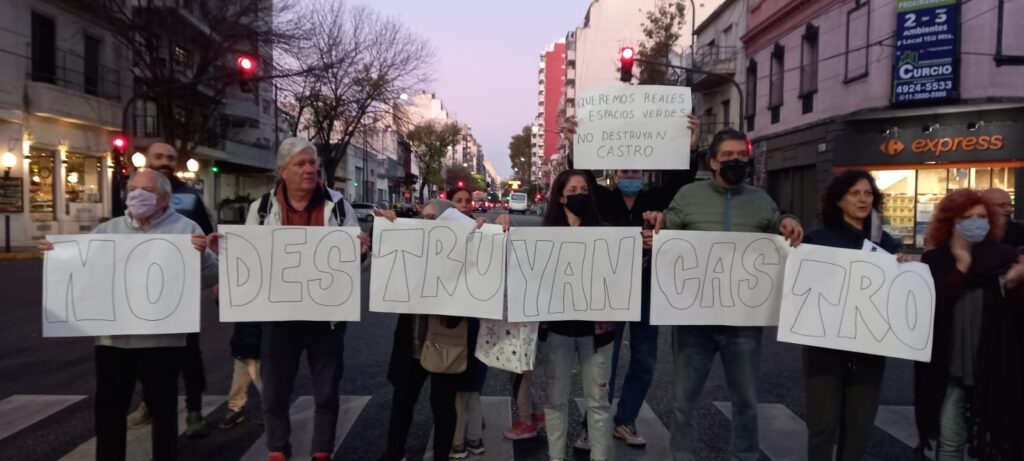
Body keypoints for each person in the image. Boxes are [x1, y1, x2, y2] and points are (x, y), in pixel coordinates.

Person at [644, 128, 804, 461]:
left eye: (741, 156)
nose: (736, 161)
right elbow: (670, 223)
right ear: (713, 161)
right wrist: (659, 223)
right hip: (694, 321)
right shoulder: (689, 195)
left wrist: (788, 220)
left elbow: (777, 224)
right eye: (728, 156)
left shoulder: (761, 199)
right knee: (684, 400)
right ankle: (682, 455)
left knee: (746, 400)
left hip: (743, 322)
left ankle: (744, 455)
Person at [208, 137, 370, 461]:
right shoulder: (262, 208)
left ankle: (321, 452)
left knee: (326, 393)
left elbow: (356, 265)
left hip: (326, 319)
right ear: (282, 171)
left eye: (313, 163)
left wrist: (362, 252)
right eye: (300, 164)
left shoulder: (338, 207)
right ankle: (278, 450)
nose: (309, 169)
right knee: (274, 395)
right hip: (279, 319)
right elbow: (250, 259)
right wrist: (226, 264)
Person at [39, 169, 218, 461]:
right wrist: (58, 254)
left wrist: (204, 256)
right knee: (109, 412)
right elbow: (85, 269)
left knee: (163, 414)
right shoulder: (108, 231)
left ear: (163, 198)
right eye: (133, 188)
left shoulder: (186, 229)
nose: (136, 195)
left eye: (145, 191)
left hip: (163, 342)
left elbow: (211, 277)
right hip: (114, 342)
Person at [574, 115, 701, 451]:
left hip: (648, 290)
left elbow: (682, 179)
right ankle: (592, 423)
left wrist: (690, 146)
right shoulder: (602, 199)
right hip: (611, 290)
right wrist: (576, 140)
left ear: (642, 176)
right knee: (605, 360)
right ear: (614, 176)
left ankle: (625, 420)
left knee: (645, 359)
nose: (630, 176)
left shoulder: (657, 199)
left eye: (635, 172)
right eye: (624, 172)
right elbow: (582, 176)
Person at [375, 199, 498, 461]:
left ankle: (442, 455)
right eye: (423, 217)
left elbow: (487, 270)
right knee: (402, 400)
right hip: (412, 338)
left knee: (443, 405)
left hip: (448, 339)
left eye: (433, 218)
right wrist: (386, 227)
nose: (426, 223)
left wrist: (490, 234)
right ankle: (394, 451)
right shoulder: (413, 244)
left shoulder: (465, 246)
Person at [801, 171, 903, 461]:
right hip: (825, 349)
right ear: (839, 200)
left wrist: (904, 270)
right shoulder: (817, 240)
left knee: (859, 428)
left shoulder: (887, 243)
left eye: (868, 193)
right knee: (823, 425)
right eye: (855, 193)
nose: (862, 199)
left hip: (869, 348)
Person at [916, 189, 1024, 461]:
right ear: (952, 221)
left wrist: (1012, 281)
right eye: (968, 217)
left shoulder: (1005, 257)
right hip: (949, 366)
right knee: (950, 442)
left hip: (994, 367)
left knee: (994, 441)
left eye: (982, 217)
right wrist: (961, 269)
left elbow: (1016, 313)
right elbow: (933, 308)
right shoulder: (935, 260)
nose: (977, 222)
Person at [540, 169, 636, 461]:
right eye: (573, 191)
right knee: (555, 401)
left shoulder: (606, 233)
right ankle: (555, 457)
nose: (580, 195)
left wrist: (640, 249)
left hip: (599, 332)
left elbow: (624, 270)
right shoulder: (542, 236)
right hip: (557, 331)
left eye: (584, 190)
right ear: (560, 195)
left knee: (598, 402)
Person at [126, 142, 213, 436]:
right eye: (159, 156)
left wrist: (213, 270)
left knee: (189, 354)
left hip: (180, 290)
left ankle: (194, 410)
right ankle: (149, 403)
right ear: (147, 159)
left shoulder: (190, 195)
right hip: (139, 289)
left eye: (171, 158)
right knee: (140, 352)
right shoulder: (132, 193)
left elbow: (207, 234)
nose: (165, 161)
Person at [219, 319, 263, 428]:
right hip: (243, 341)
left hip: (256, 341)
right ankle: (235, 408)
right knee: (239, 381)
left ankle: (272, 411)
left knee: (261, 381)